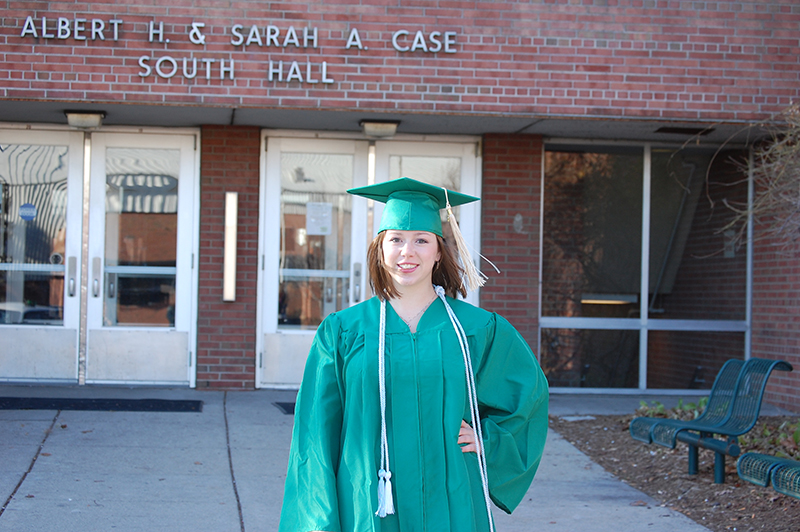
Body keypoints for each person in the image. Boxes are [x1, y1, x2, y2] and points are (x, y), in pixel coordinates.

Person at [279, 177, 549, 532]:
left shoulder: (476, 328)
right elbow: (315, 432)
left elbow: (527, 395)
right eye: (396, 240)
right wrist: (317, 519)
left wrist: (491, 440)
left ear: (439, 251)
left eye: (421, 240)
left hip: (450, 493)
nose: (408, 252)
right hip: (367, 499)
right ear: (380, 249)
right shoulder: (343, 331)